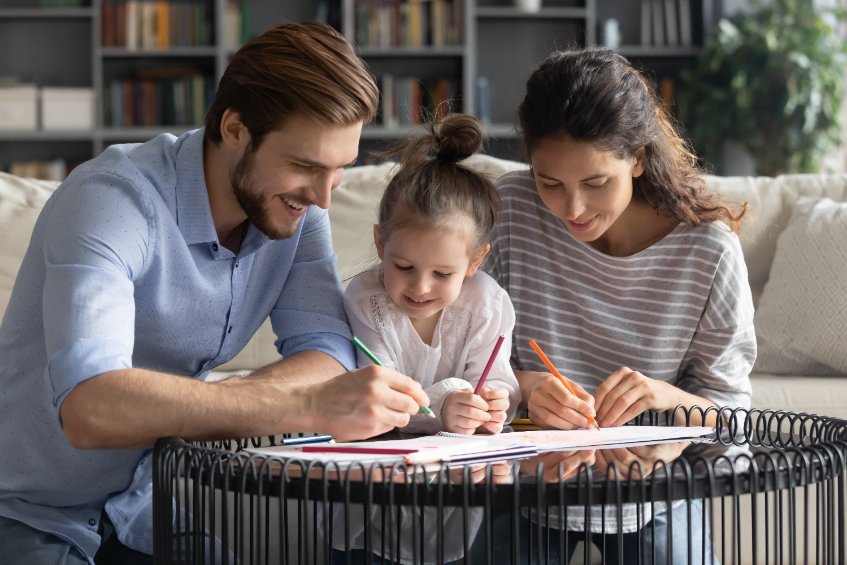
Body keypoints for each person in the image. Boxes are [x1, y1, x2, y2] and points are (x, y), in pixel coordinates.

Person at [0, 21, 430, 565]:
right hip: (27, 510)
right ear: (234, 128)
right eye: (304, 166)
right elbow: (90, 408)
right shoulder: (111, 200)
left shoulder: (299, 213)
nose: (323, 196)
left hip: (141, 507)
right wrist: (302, 404)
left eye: (340, 169)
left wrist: (255, 396)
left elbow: (327, 350)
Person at [475, 47, 756, 563]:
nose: (572, 210)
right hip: (526, 485)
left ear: (639, 158)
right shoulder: (508, 210)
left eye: (596, 183)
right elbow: (459, 359)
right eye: (550, 182)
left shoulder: (708, 250)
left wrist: (670, 419)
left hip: (654, 493)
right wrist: (526, 387)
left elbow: (735, 416)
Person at [331, 113, 521, 564]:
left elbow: (502, 384)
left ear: (476, 261)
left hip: (453, 502)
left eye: (442, 274)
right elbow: (383, 403)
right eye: (403, 267)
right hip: (372, 498)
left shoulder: (488, 303)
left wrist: (493, 404)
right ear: (380, 245)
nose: (419, 287)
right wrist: (451, 401)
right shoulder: (364, 298)